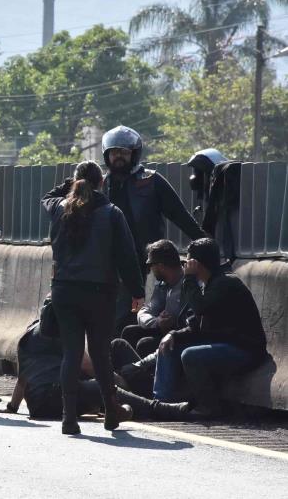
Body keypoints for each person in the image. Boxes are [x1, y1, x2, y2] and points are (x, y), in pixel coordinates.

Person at [42, 160, 145, 434]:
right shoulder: (112, 213)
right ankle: (111, 412)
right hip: (100, 293)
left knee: (72, 353)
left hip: (64, 291)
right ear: (102, 183)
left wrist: (72, 183)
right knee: (101, 354)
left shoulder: (59, 208)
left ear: (75, 182)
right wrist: (138, 291)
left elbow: (48, 197)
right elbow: (127, 256)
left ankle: (69, 418)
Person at [101, 126, 206, 334]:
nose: (119, 157)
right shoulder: (101, 184)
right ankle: (117, 351)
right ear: (107, 155)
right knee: (116, 313)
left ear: (134, 154)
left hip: (149, 258)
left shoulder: (151, 180)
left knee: (151, 307)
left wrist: (205, 244)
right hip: (112, 259)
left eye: (124, 152)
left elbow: (180, 215)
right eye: (114, 153)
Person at [2, 313, 190, 422]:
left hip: (37, 406)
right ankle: (162, 408)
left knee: (115, 350)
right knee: (105, 388)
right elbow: (90, 367)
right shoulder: (63, 331)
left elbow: (22, 380)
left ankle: (138, 401)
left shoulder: (25, 338)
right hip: (56, 397)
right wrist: (117, 382)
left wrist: (11, 408)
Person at [154, 238, 268, 416]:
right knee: (169, 346)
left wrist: (189, 278)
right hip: (222, 344)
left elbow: (200, 307)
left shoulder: (225, 283)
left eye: (188, 262)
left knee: (190, 355)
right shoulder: (209, 284)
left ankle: (208, 406)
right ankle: (162, 403)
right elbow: (196, 325)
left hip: (244, 349)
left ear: (196, 264)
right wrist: (173, 334)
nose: (185, 267)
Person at [121, 240, 188, 357]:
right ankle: (129, 371)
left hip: (181, 334)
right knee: (129, 331)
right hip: (163, 329)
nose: (151, 270)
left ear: (161, 266)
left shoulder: (188, 283)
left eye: (151, 266)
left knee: (144, 344)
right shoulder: (162, 285)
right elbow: (144, 311)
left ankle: (141, 372)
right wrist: (157, 322)